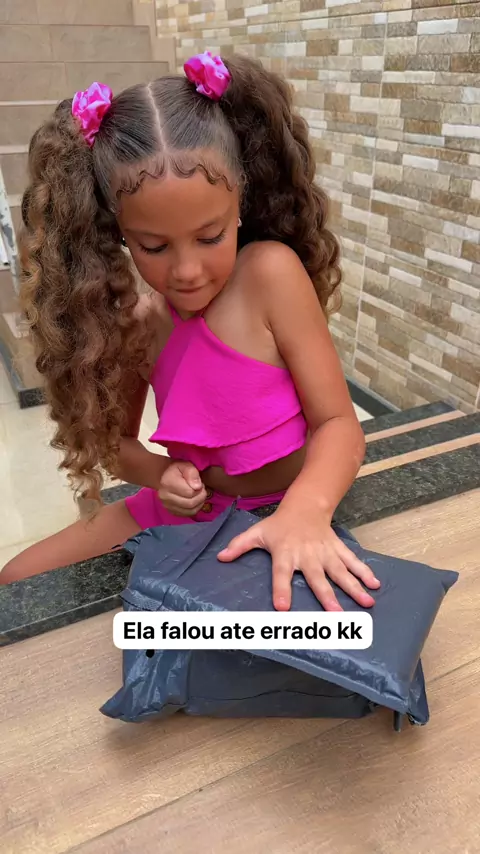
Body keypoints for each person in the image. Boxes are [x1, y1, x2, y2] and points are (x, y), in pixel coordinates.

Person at [1, 52, 380, 611]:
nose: (186, 270)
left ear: (240, 200)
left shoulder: (270, 275)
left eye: (210, 236)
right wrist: (162, 474)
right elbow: (117, 448)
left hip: (292, 502)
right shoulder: (138, 323)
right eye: (154, 246)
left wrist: (306, 512)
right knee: (16, 579)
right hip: (192, 509)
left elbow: (340, 426)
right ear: (117, 232)